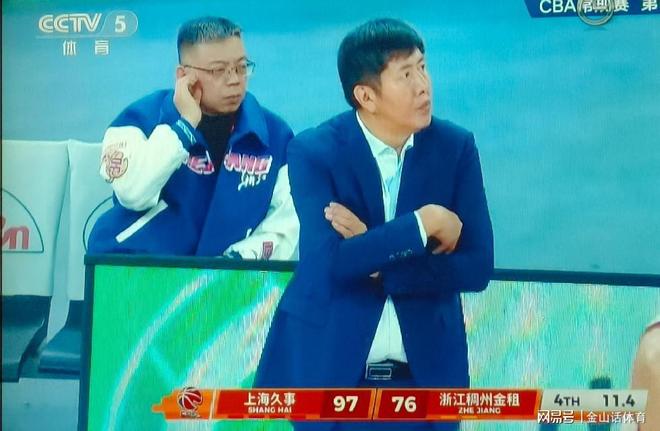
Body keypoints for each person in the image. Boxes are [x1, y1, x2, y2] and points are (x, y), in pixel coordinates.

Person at [254, 18, 494, 430]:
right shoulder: (314, 151)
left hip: (425, 383)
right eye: (405, 75)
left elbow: (477, 267)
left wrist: (376, 257)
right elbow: (329, 264)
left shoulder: (455, 148)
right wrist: (423, 223)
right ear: (366, 96)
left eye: (423, 67)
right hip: (330, 378)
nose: (423, 86)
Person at [88, 16, 298, 259]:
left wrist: (235, 263)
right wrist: (184, 126)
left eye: (241, 67)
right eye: (218, 70)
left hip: (229, 274)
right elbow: (133, 194)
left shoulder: (276, 136)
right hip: (131, 264)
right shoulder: (136, 120)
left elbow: (283, 226)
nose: (234, 80)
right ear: (183, 75)